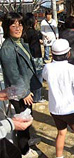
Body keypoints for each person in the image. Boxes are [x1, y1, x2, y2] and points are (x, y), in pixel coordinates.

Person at [0, 12, 42, 157]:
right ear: (7, 27)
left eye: (20, 24)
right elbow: (13, 75)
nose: (18, 28)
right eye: (13, 25)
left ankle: (27, 142)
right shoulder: (7, 48)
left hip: (25, 88)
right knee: (22, 120)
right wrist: (24, 93)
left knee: (28, 118)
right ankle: (24, 151)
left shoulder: (19, 42)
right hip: (19, 92)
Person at [42, 39, 74, 158]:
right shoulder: (72, 69)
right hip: (71, 108)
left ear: (53, 54)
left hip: (55, 109)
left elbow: (45, 77)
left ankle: (59, 156)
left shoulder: (48, 68)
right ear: (68, 54)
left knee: (61, 132)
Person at [23, 13, 45, 103]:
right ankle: (37, 97)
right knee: (38, 77)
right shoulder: (34, 33)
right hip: (36, 57)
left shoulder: (23, 33)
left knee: (28, 77)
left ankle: (30, 94)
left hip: (26, 57)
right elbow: (35, 47)